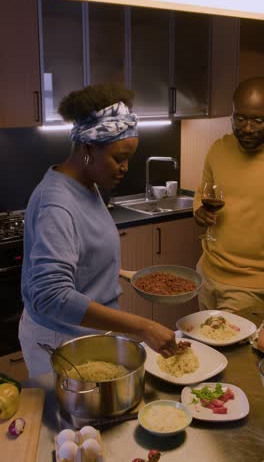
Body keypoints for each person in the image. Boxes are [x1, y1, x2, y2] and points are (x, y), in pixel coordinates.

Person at [19, 83, 178, 377]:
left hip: (85, 333)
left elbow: (81, 254)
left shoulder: (86, 186)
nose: (125, 168)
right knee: (71, 423)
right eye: (119, 158)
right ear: (88, 148)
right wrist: (143, 326)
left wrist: (123, 274)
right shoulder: (56, 204)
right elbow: (50, 295)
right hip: (61, 342)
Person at [193, 76, 264, 312]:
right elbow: (202, 193)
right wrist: (199, 212)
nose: (247, 128)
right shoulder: (219, 148)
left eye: (258, 120)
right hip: (207, 273)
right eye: (240, 118)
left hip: (251, 288)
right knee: (204, 347)